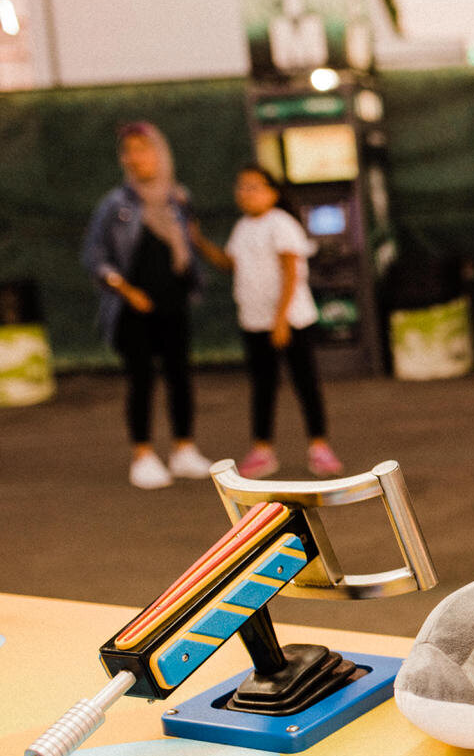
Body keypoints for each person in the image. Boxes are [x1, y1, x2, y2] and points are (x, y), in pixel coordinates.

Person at [81, 121, 212, 490]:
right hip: (131, 311)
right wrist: (124, 289)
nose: (136, 157)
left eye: (144, 147)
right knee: (141, 380)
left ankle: (183, 449)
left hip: (174, 303)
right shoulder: (115, 203)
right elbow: (94, 257)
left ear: (160, 151)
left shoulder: (179, 198)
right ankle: (143, 454)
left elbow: (189, 248)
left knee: (180, 377)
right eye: (129, 151)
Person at [189, 165, 343, 479]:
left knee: (306, 384)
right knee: (262, 386)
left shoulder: (282, 224)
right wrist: (198, 242)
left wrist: (282, 320)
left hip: (292, 321)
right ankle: (262, 451)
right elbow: (228, 264)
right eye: (241, 186)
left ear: (272, 193)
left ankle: (320, 448)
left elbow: (291, 273)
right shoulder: (242, 227)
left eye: (253, 186)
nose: (245, 193)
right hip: (254, 322)